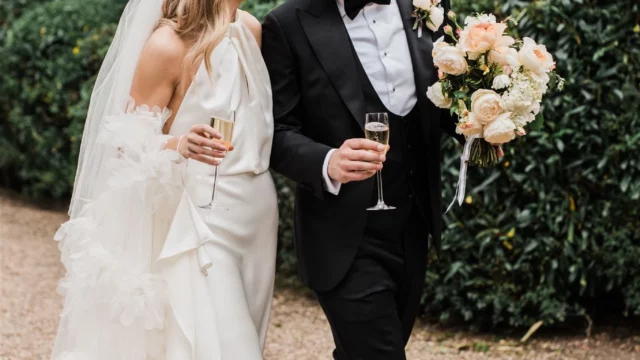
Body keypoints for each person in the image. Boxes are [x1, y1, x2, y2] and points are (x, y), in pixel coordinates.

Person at [50, 0, 277, 359]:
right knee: (226, 346)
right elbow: (122, 141)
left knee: (245, 330)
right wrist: (180, 143)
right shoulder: (167, 45)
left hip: (257, 215)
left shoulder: (250, 29)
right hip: (199, 219)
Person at [262, 0, 467, 358]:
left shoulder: (428, 6)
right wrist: (328, 161)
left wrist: (481, 126)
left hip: (413, 224)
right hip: (342, 235)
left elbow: (446, 99)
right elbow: (275, 132)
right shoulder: (287, 23)